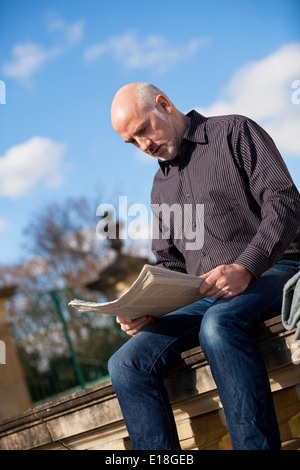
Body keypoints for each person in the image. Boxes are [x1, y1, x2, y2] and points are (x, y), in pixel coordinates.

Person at [108, 82, 300, 450]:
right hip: (206, 294)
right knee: (125, 365)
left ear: (164, 104)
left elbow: (284, 202)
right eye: (132, 141)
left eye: (144, 129)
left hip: (278, 269)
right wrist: (147, 310)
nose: (144, 146)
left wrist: (246, 266)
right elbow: (170, 264)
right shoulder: (160, 187)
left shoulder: (235, 131)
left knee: (218, 324)